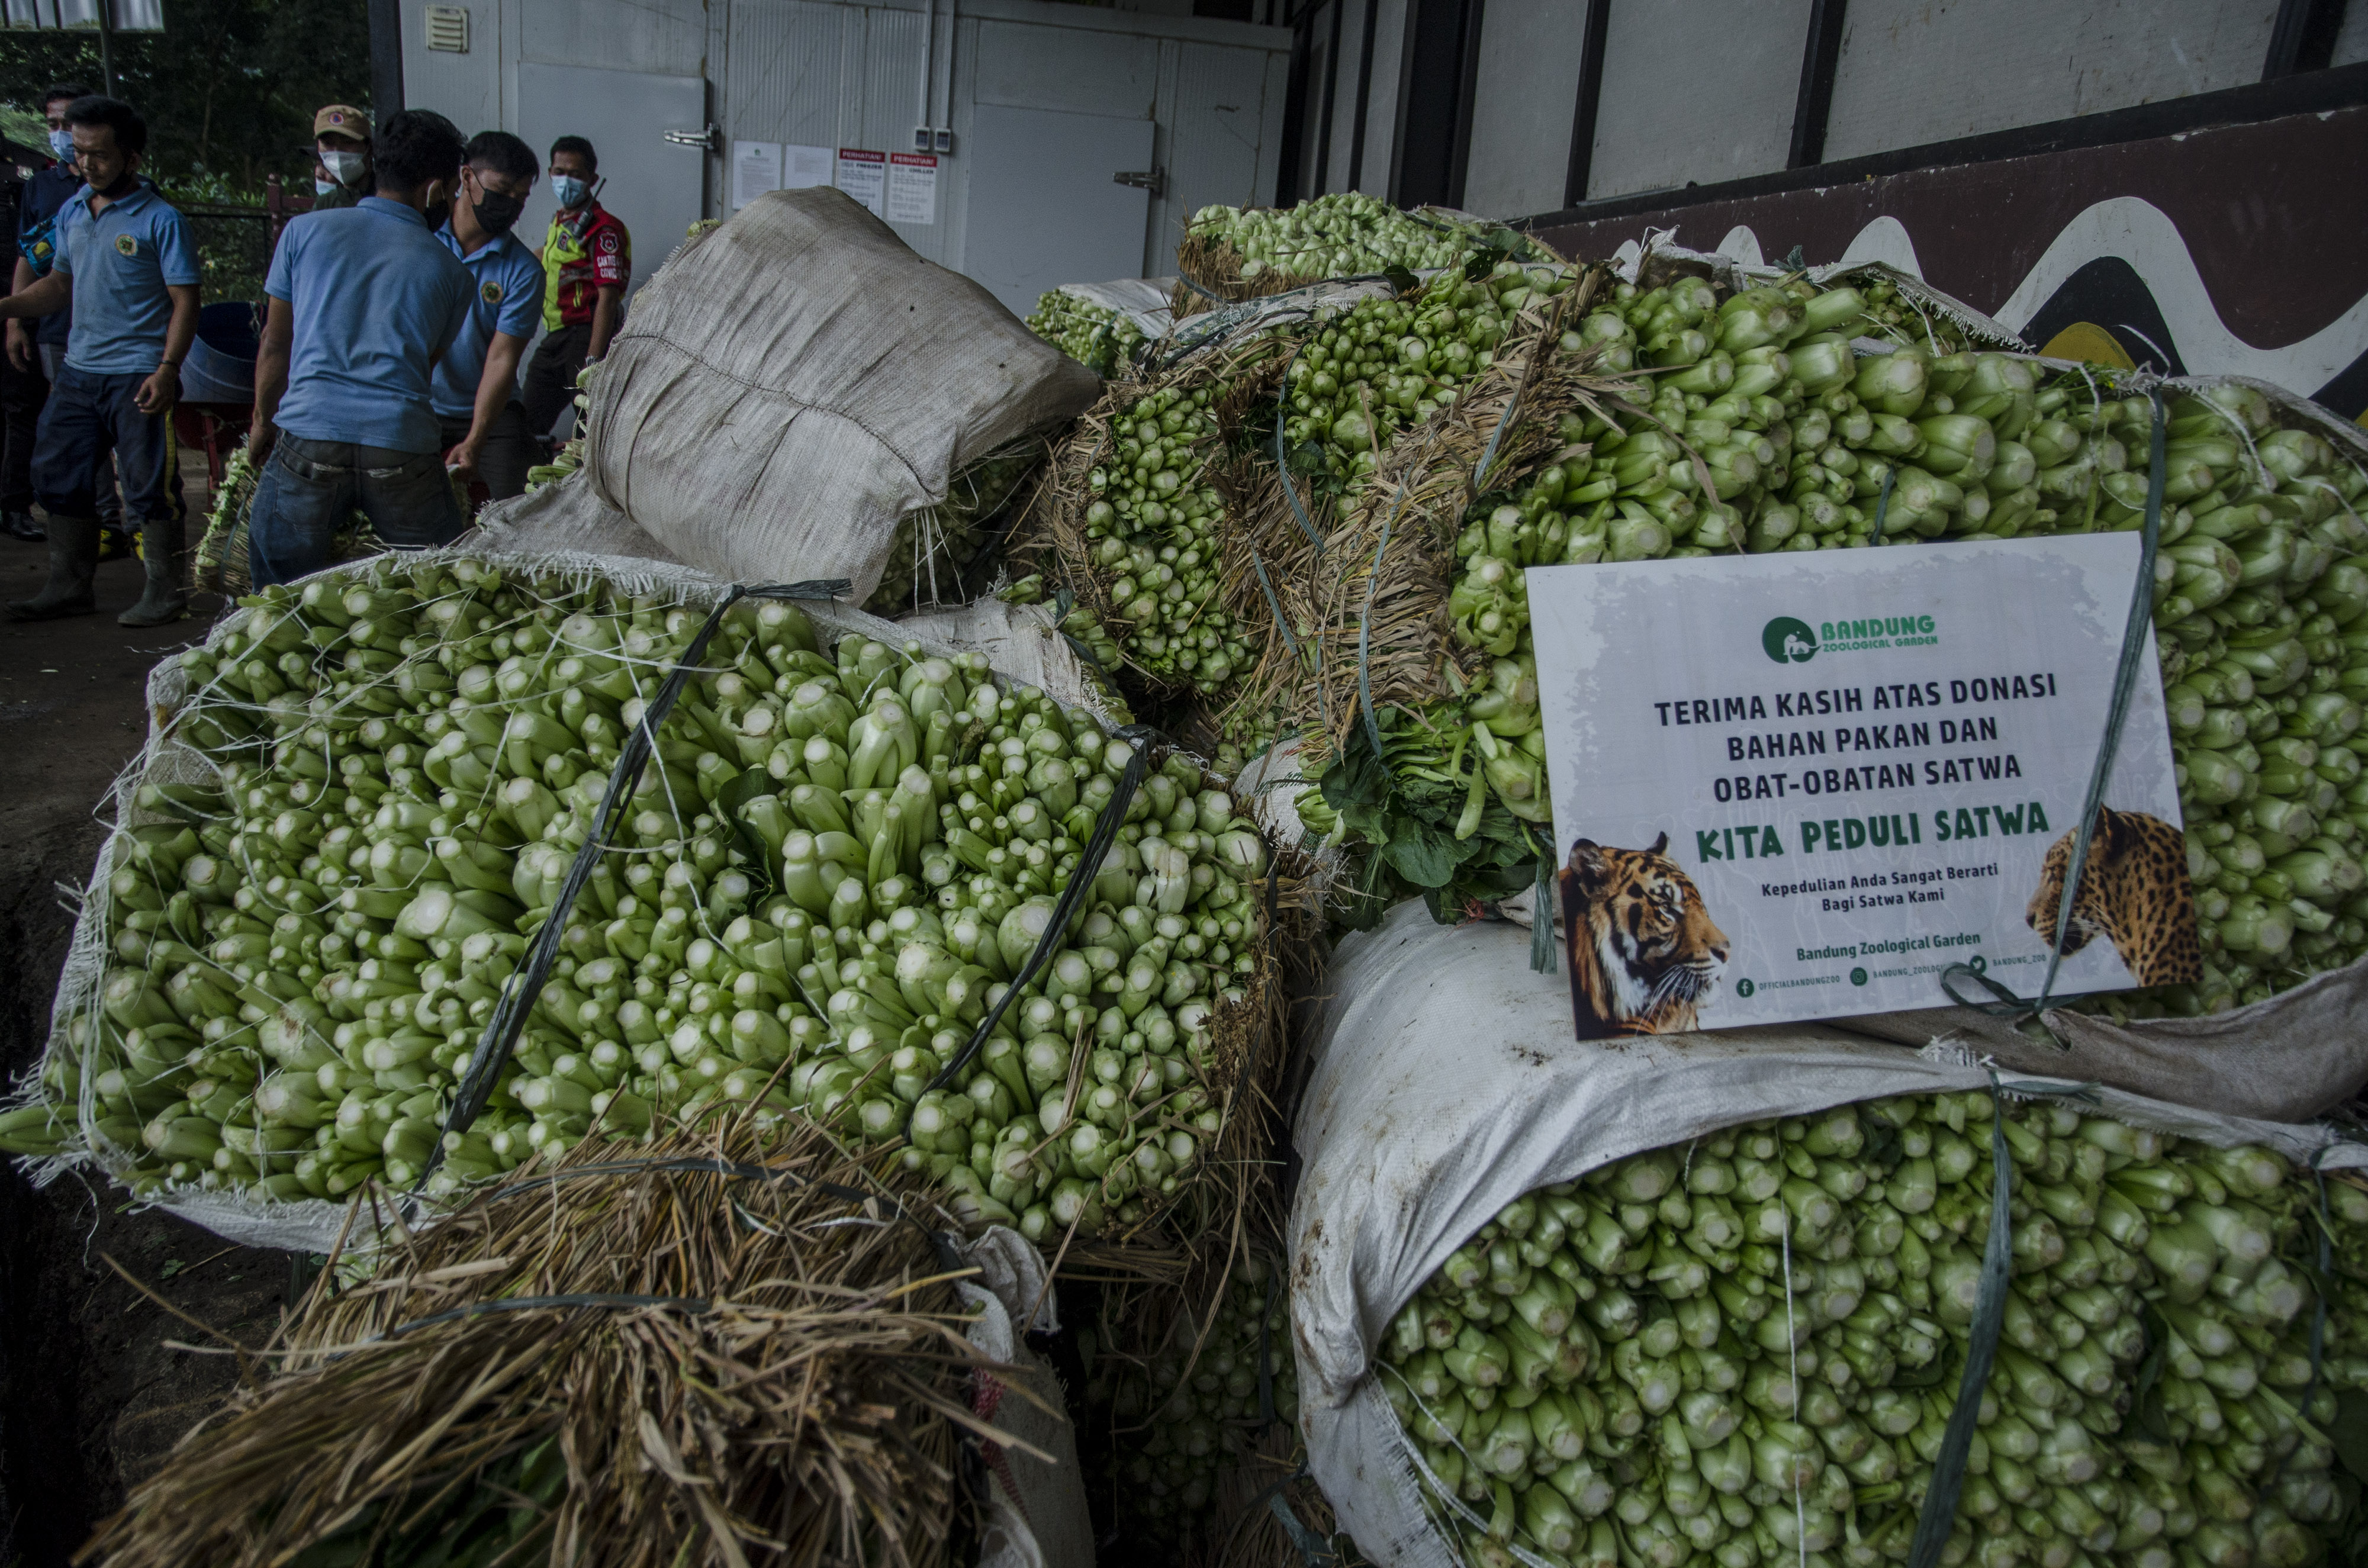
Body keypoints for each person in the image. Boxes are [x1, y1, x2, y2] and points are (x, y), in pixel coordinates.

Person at [246, 110, 474, 589]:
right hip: (400, 442)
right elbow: (423, 365)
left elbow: (275, 343)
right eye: (453, 191)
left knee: (278, 587)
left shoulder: (303, 234)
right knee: (437, 583)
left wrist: (263, 422)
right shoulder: (453, 273)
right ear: (434, 189)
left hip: (308, 432)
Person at [0, 95, 198, 626]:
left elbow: (186, 301)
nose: (85, 163)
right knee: (56, 472)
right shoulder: (70, 211)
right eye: (79, 151)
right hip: (79, 370)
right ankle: (69, 584)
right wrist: (11, 308)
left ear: (132, 159)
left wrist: (168, 368)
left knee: (149, 484)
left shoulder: (162, 220)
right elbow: (58, 285)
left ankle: (165, 591)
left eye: (99, 154)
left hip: (139, 371)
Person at [6, 79, 128, 553]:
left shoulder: (146, 205)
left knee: (138, 441)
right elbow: (36, 262)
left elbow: (179, 290)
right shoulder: (48, 193)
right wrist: (14, 317)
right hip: (65, 336)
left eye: (69, 124)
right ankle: (97, 526)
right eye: (54, 126)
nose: (63, 137)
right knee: (76, 436)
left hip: (127, 341)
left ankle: (138, 530)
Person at [435, 130, 542, 501]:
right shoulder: (423, 241)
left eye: (522, 197)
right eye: (503, 189)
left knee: (515, 504)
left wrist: (475, 439)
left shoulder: (524, 270)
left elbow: (502, 359)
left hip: (492, 413)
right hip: (420, 406)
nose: (511, 204)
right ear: (467, 178)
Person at [520, 135, 628, 439]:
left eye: (575, 174)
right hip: (556, 334)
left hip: (584, 335)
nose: (565, 180)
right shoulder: (561, 221)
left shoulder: (604, 228)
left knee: (589, 430)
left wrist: (593, 361)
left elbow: (607, 298)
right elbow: (549, 256)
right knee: (526, 421)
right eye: (559, 172)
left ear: (592, 179)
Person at [308, 104, 372, 211]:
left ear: (369, 149)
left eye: (348, 143)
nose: (337, 151)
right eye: (328, 144)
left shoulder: (389, 195)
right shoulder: (324, 205)